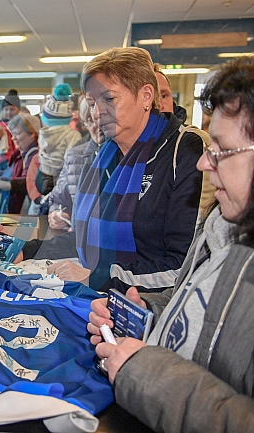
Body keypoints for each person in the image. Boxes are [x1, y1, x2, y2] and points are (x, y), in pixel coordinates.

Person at [88, 56, 254, 433]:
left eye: (222, 151)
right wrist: (143, 311)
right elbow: (198, 304)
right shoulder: (222, 223)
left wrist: (145, 372)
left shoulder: (183, 155)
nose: (204, 165)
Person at [31, 47, 213, 293]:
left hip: (149, 310)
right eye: (92, 103)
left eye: (109, 99)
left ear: (146, 96)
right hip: (97, 301)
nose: (97, 113)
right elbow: (85, 240)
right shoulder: (99, 155)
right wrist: (27, 249)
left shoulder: (186, 150)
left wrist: (97, 277)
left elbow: (185, 267)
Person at [41, 97, 105, 228]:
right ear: (84, 125)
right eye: (90, 121)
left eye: (101, 119)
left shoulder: (126, 153)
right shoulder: (74, 156)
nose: (97, 125)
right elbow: (57, 199)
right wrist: (57, 214)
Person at [0, 112, 40, 214]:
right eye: (12, 134)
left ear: (32, 134)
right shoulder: (20, 154)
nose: (13, 138)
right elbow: (10, 173)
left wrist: (7, 184)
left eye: (17, 134)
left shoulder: (34, 157)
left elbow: (28, 183)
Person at [36, 83, 82, 196]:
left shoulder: (43, 134)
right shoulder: (73, 135)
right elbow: (72, 161)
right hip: (57, 180)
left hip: (41, 175)